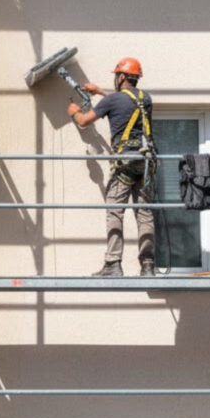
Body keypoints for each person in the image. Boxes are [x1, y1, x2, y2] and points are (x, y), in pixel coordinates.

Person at [67, 56, 157, 277]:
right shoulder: (145, 99)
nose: (116, 79)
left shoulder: (114, 100)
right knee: (144, 213)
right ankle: (148, 265)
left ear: (122, 76)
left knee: (115, 211)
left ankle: (113, 263)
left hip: (124, 163)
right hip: (145, 163)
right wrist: (99, 91)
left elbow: (84, 121)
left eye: (117, 75)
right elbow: (124, 103)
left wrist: (74, 112)